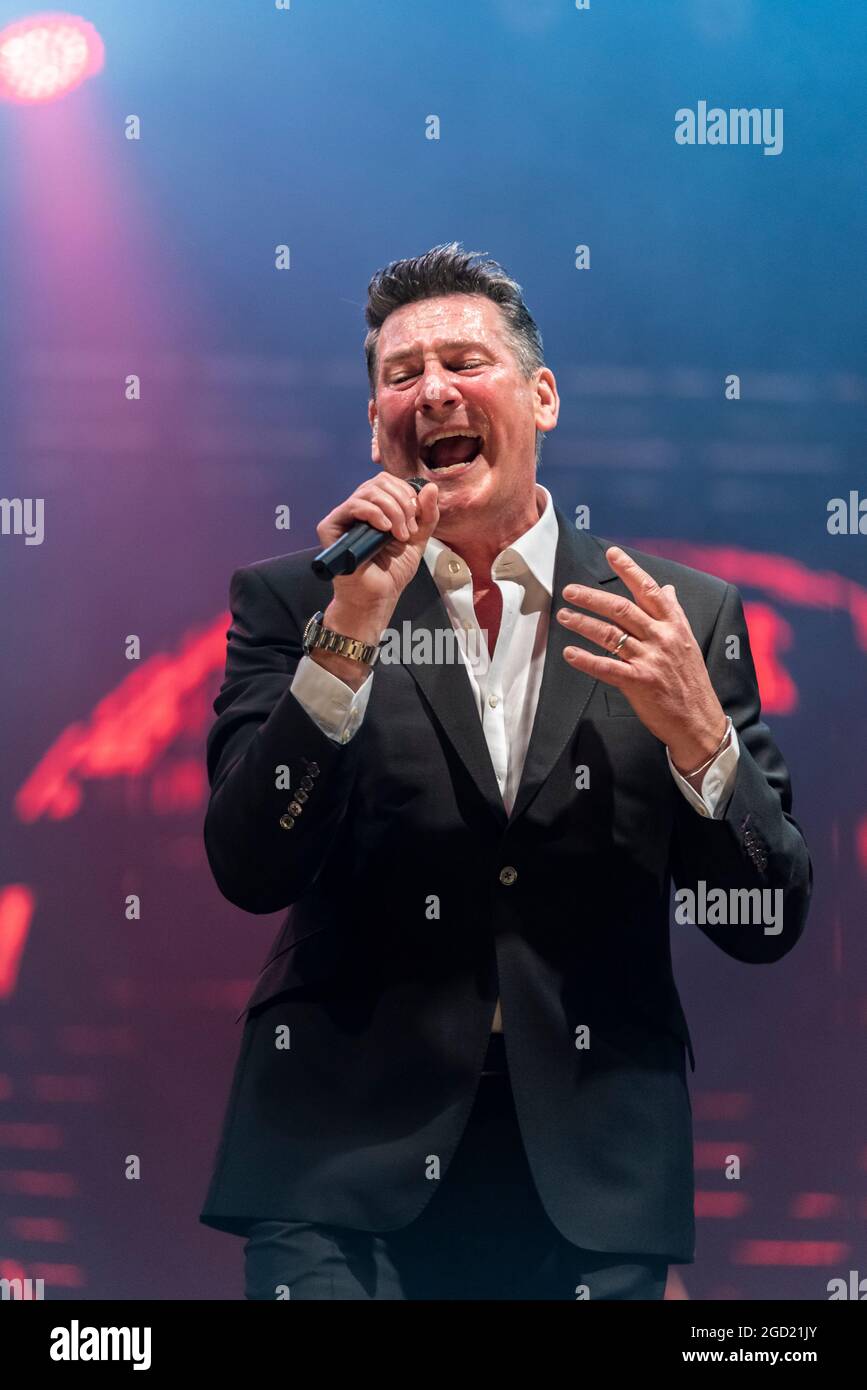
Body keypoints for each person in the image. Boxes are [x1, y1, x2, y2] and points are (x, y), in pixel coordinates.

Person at [199, 243, 812, 1300]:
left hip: (594, 1168)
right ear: (375, 425)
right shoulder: (298, 598)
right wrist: (345, 636)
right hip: (335, 1158)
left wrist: (701, 739)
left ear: (543, 397)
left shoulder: (679, 616)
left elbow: (765, 918)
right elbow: (252, 864)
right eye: (401, 374)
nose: (432, 389)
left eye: (465, 361)